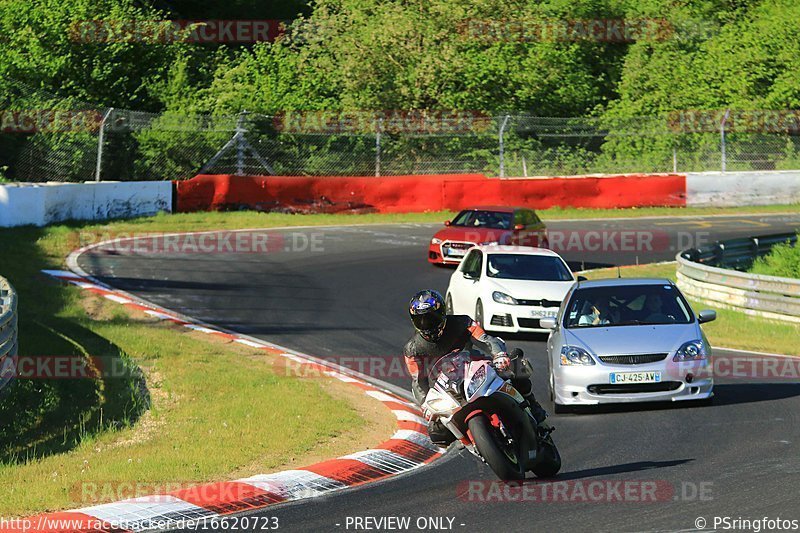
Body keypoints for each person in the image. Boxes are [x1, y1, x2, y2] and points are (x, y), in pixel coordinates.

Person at [403, 289, 551, 446]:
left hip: (477, 367)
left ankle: (534, 408)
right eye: (422, 320)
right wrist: (425, 403)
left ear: (443, 313)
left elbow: (487, 340)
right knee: (436, 431)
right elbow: (418, 380)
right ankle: (471, 440)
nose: (428, 324)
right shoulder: (412, 349)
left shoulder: (463, 323)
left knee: (516, 367)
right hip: (448, 388)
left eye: (432, 318)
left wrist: (499, 355)